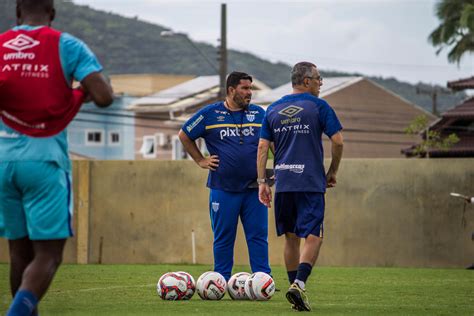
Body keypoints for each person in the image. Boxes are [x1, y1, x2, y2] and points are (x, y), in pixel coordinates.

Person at [0, 1, 113, 315]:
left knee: (18, 252)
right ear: (51, 14)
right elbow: (104, 96)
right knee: (49, 254)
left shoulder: (1, 45)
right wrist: (79, 91)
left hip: (2, 162)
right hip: (44, 162)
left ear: (18, 14)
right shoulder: (67, 45)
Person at [257, 62, 344, 311]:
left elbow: (263, 148)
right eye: (318, 78)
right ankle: (299, 284)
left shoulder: (272, 108)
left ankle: (295, 293)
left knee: (291, 238)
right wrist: (333, 171)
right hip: (309, 181)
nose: (321, 82)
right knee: (314, 235)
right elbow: (338, 141)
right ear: (306, 81)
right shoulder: (318, 106)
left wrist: (263, 182)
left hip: (284, 182)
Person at [178, 71, 271, 281]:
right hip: (223, 188)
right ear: (231, 90)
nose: (250, 93)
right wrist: (201, 160)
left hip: (254, 189)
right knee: (223, 238)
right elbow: (184, 135)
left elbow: (272, 143)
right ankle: (220, 281)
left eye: (250, 89)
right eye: (245, 88)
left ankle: (263, 281)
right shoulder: (210, 114)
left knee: (258, 237)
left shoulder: (259, 114)